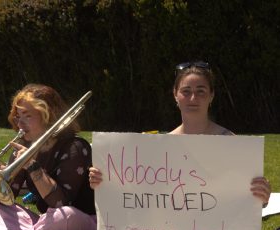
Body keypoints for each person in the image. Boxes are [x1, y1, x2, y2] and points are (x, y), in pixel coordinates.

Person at [89, 61, 271, 205]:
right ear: (175, 95)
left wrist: (261, 196)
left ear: (211, 95)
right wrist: (105, 182)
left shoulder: (230, 142)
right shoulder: (164, 146)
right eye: (186, 91)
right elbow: (143, 195)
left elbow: (244, 199)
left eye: (201, 91)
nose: (193, 98)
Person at [0, 84, 96, 230]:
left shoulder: (74, 147)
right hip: (47, 224)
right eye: (18, 117)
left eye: (27, 116)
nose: (20, 123)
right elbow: (8, 198)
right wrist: (1, 180)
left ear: (48, 117)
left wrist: (32, 167)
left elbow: (61, 203)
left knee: (63, 217)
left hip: (78, 222)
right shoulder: (25, 146)